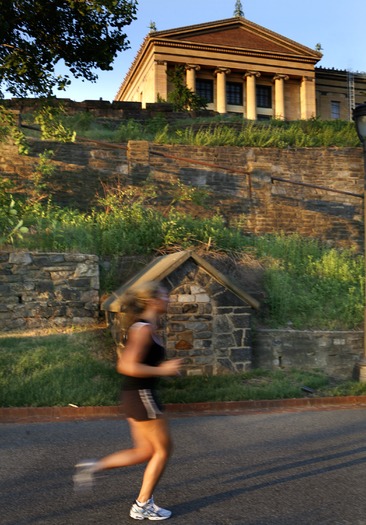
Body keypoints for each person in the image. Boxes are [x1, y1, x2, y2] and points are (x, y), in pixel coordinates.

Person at [73, 281, 182, 521]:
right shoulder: (142, 328)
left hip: (136, 395)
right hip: (142, 395)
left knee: (145, 451)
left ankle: (93, 466)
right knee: (163, 450)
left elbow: (143, 363)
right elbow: (126, 365)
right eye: (165, 295)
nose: (169, 299)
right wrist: (162, 371)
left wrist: (162, 368)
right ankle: (142, 504)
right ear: (152, 301)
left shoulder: (148, 326)